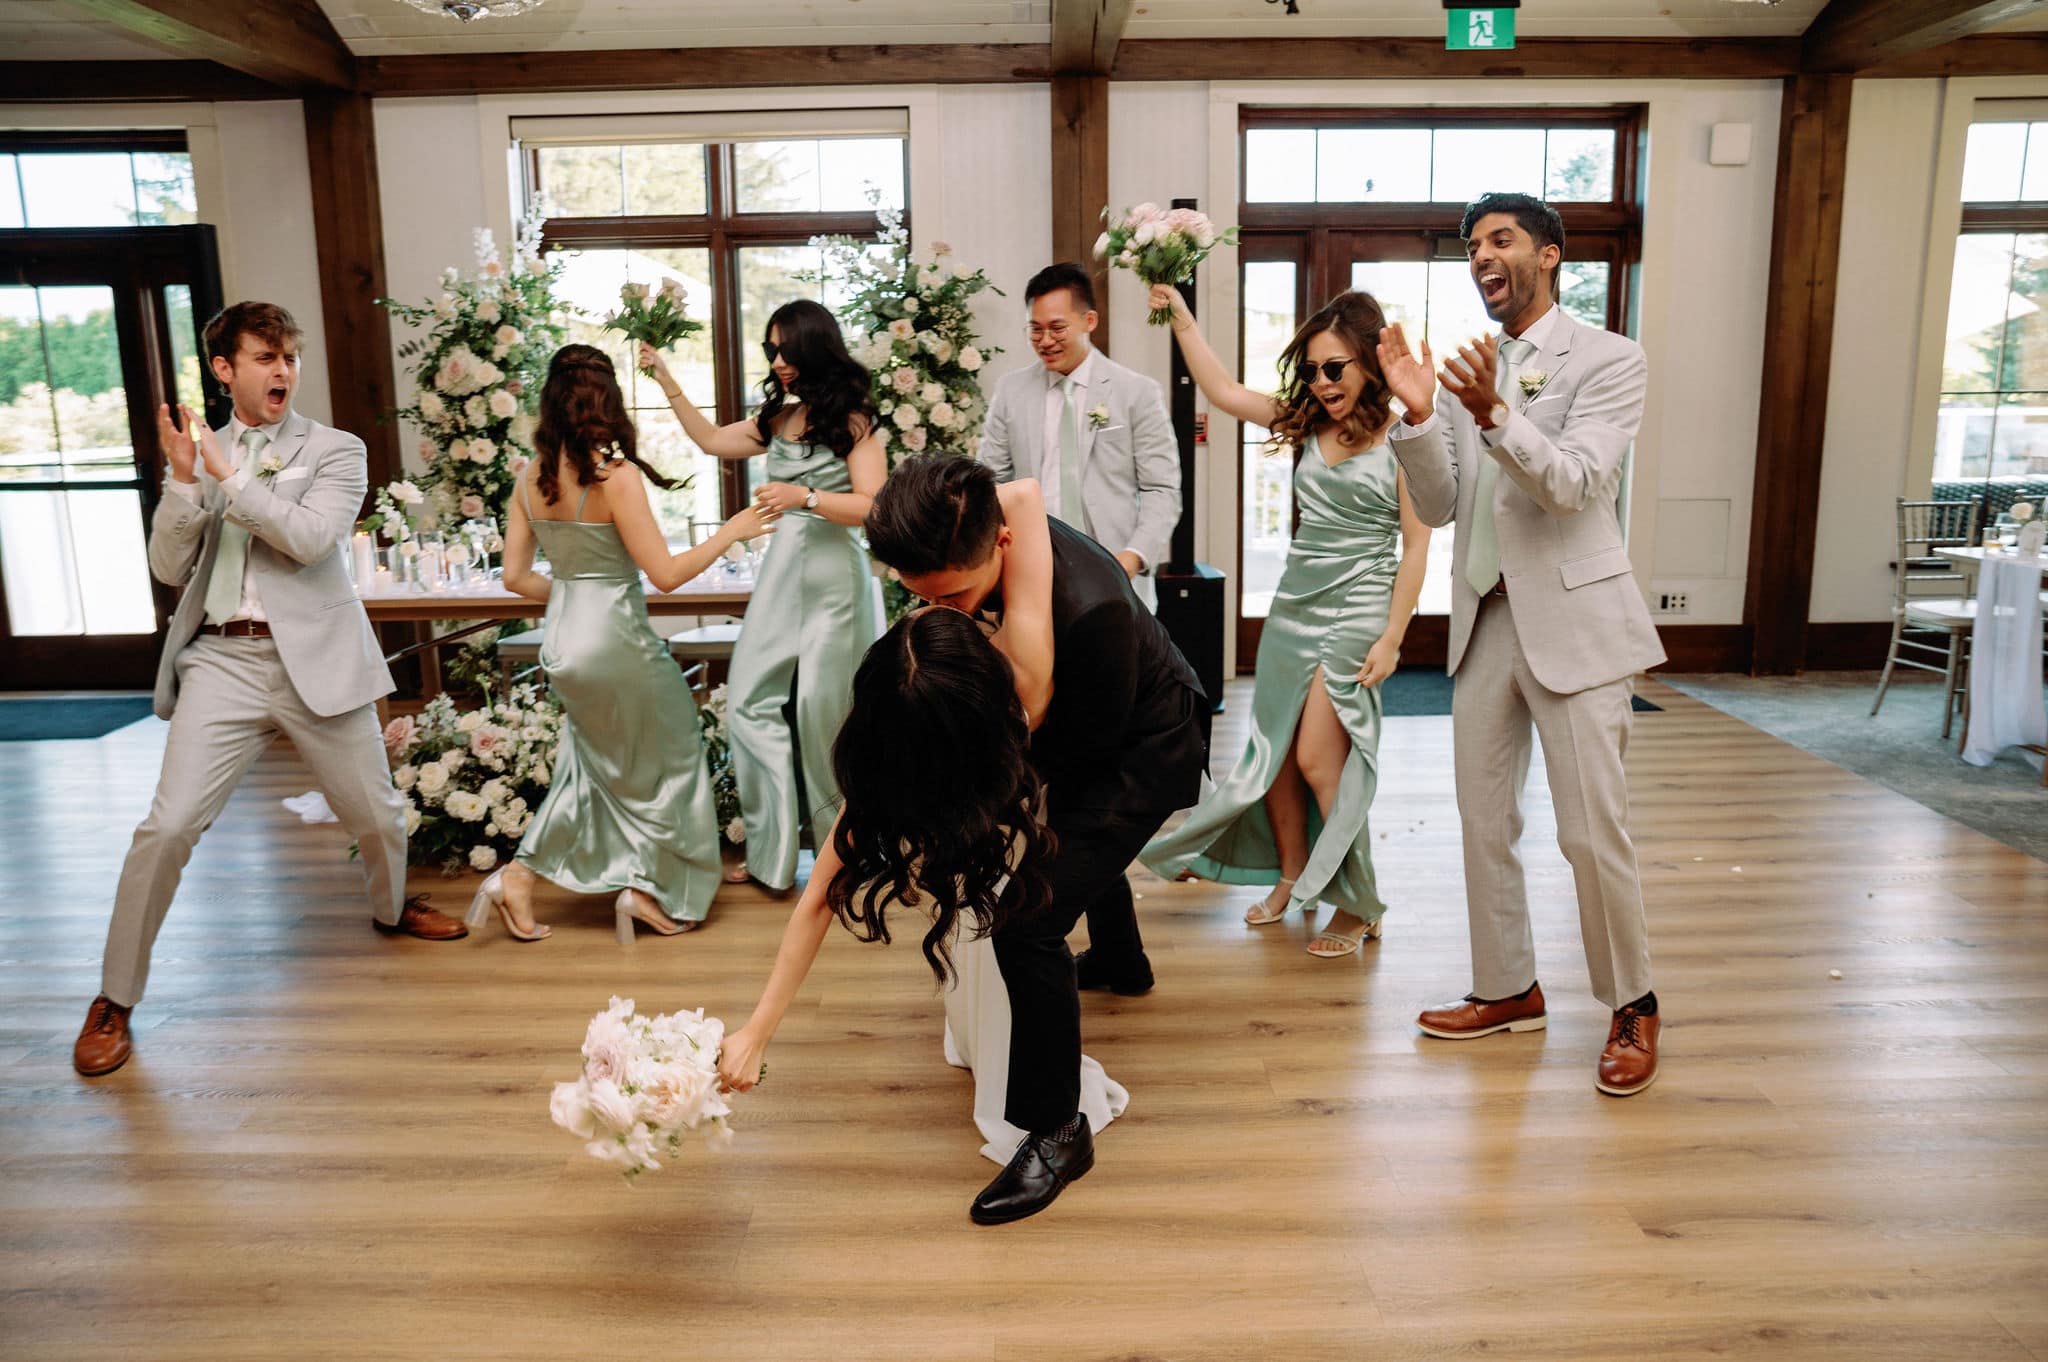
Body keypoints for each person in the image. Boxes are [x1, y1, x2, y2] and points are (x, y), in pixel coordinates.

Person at [742, 455, 1203, 1225]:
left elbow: (1058, 747)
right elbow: (1021, 490)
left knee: (1030, 920)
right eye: (919, 599)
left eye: (953, 596)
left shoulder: (1082, 621)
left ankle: (1058, 1130)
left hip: (1140, 743)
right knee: (1064, 844)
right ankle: (1124, 964)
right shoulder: (974, 529)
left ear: (1004, 546)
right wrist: (756, 1028)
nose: (939, 615)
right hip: (1071, 721)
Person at [73, 302, 466, 1079]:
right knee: (166, 826)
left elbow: (315, 540)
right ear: (224, 370)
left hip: (316, 654)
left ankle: (391, 909)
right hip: (222, 660)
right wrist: (186, 482)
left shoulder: (335, 449)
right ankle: (114, 998)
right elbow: (167, 566)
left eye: (289, 355)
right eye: (264, 357)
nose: (283, 370)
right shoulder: (200, 453)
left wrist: (229, 476)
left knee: (379, 815)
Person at [1382, 191, 1664, 1096]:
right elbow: (1441, 507)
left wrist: (1498, 414)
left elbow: (1575, 486)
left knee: (1589, 833)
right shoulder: (1473, 367)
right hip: (1485, 619)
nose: (1481, 257)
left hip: (1575, 623)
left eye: (1500, 240)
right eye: (1472, 246)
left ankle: (1633, 1005)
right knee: (1482, 825)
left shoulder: (1612, 359)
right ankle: (1507, 989)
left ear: (1549, 255)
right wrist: (1424, 418)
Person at [1139, 286, 1431, 958]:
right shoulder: (1305, 423)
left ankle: (1357, 902)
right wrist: (1183, 314)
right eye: (1311, 369)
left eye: (1335, 367)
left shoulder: (1406, 437)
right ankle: (1293, 877)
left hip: (1358, 608)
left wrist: (1393, 636)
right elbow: (1218, 390)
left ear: (1368, 362)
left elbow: (1416, 545)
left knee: (1320, 761)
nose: (1322, 382)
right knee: (1273, 757)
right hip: (1294, 607)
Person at [471, 345, 777, 942]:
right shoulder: (616, 477)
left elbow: (514, 578)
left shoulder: (529, 479)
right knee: (677, 755)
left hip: (562, 639)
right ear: (606, 401)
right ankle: (654, 890)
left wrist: (570, 595)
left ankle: (522, 877)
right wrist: (733, 530)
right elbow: (664, 574)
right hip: (616, 639)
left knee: (593, 765)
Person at [641, 299, 884, 890]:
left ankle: (842, 857)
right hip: (779, 578)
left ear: (813, 348)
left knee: (824, 714)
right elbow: (709, 441)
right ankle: (774, 856)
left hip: (835, 579)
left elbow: (875, 507)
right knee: (748, 700)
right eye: (770, 350)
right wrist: (667, 379)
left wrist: (804, 498)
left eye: (786, 349)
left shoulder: (855, 420)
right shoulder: (777, 418)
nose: (777, 361)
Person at [978, 262, 1180, 609]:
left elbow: (1161, 488)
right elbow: (990, 479)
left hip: (1115, 567)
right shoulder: (1011, 390)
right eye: (1035, 329)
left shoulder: (1136, 392)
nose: (1045, 341)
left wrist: (1131, 558)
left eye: (1057, 328)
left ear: (1089, 321)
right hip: (1032, 567)